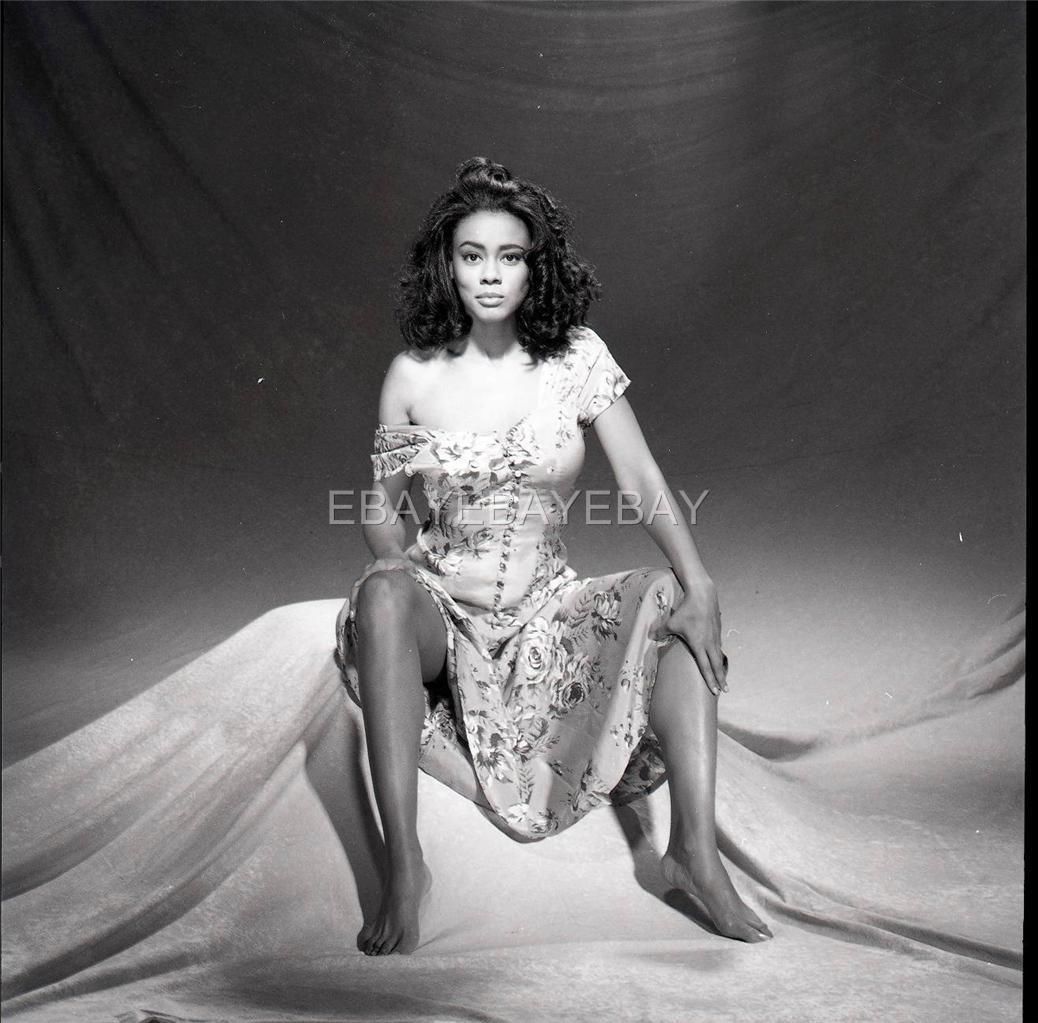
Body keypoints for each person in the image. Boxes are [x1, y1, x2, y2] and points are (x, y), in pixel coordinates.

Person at [335, 157, 773, 957]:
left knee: (672, 598)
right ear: (447, 265)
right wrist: (391, 557)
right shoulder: (412, 375)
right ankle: (404, 868)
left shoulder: (577, 357)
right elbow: (378, 505)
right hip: (442, 614)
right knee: (382, 594)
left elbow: (640, 478)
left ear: (536, 266)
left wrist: (701, 580)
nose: (490, 274)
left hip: (547, 609)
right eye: (472, 255)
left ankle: (693, 850)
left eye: (509, 256)